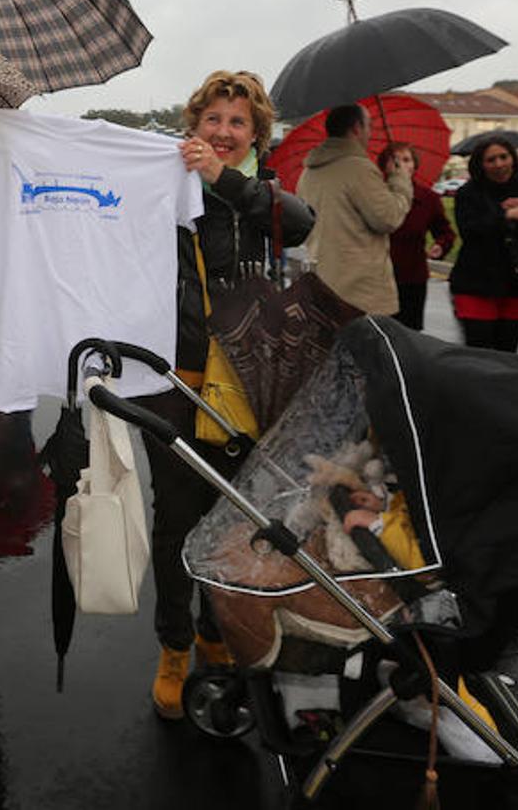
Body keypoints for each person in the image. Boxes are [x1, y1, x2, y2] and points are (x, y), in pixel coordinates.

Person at [141, 69, 314, 720]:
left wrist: (223, 181)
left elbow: (296, 225)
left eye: (236, 123)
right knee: (176, 518)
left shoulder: (256, 194)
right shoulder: (160, 184)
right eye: (212, 120)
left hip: (245, 383)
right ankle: (172, 646)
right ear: (193, 125)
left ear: (254, 136)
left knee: (233, 519)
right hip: (174, 380)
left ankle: (216, 629)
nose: (222, 132)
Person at [298, 103, 413, 315]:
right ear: (357, 128)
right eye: (369, 126)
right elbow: (388, 218)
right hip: (360, 292)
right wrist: (401, 180)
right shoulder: (358, 168)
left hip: (323, 282)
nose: (370, 133)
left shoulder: (309, 172)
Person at [448, 137, 518, 352]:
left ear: (513, 159)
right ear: (481, 164)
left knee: (507, 352)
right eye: (491, 160)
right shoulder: (469, 193)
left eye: (503, 157)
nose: (499, 164)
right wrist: (506, 215)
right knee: (479, 352)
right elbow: (470, 232)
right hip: (476, 282)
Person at [383, 143, 456, 331]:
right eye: (394, 160)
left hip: (412, 279)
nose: (400, 165)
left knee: (408, 337)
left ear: (415, 165)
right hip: (378, 279)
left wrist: (440, 246)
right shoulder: (376, 196)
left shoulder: (428, 198)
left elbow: (445, 232)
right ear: (384, 166)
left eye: (406, 160)